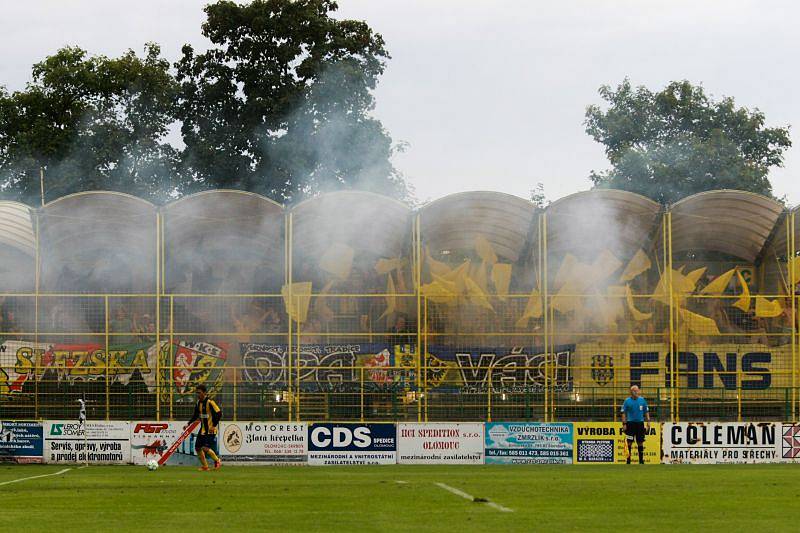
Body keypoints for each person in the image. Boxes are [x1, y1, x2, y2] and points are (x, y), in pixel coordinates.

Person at [185, 384, 222, 471]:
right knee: (197, 448)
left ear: (204, 393)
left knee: (205, 448)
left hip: (210, 430)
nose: (198, 395)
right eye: (197, 393)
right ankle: (205, 466)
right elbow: (195, 415)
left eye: (199, 393)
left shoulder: (210, 402)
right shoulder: (198, 403)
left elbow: (219, 413)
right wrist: (188, 423)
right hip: (203, 430)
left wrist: (213, 426)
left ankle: (217, 460)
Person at [620, 385, 651, 464]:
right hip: (630, 424)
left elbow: (646, 411)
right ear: (631, 392)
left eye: (637, 390)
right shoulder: (627, 401)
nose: (637, 392)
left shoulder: (642, 400)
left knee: (640, 442)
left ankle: (641, 460)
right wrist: (624, 424)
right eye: (635, 391)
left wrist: (648, 422)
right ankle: (628, 460)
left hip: (640, 424)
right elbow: (623, 413)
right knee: (629, 442)